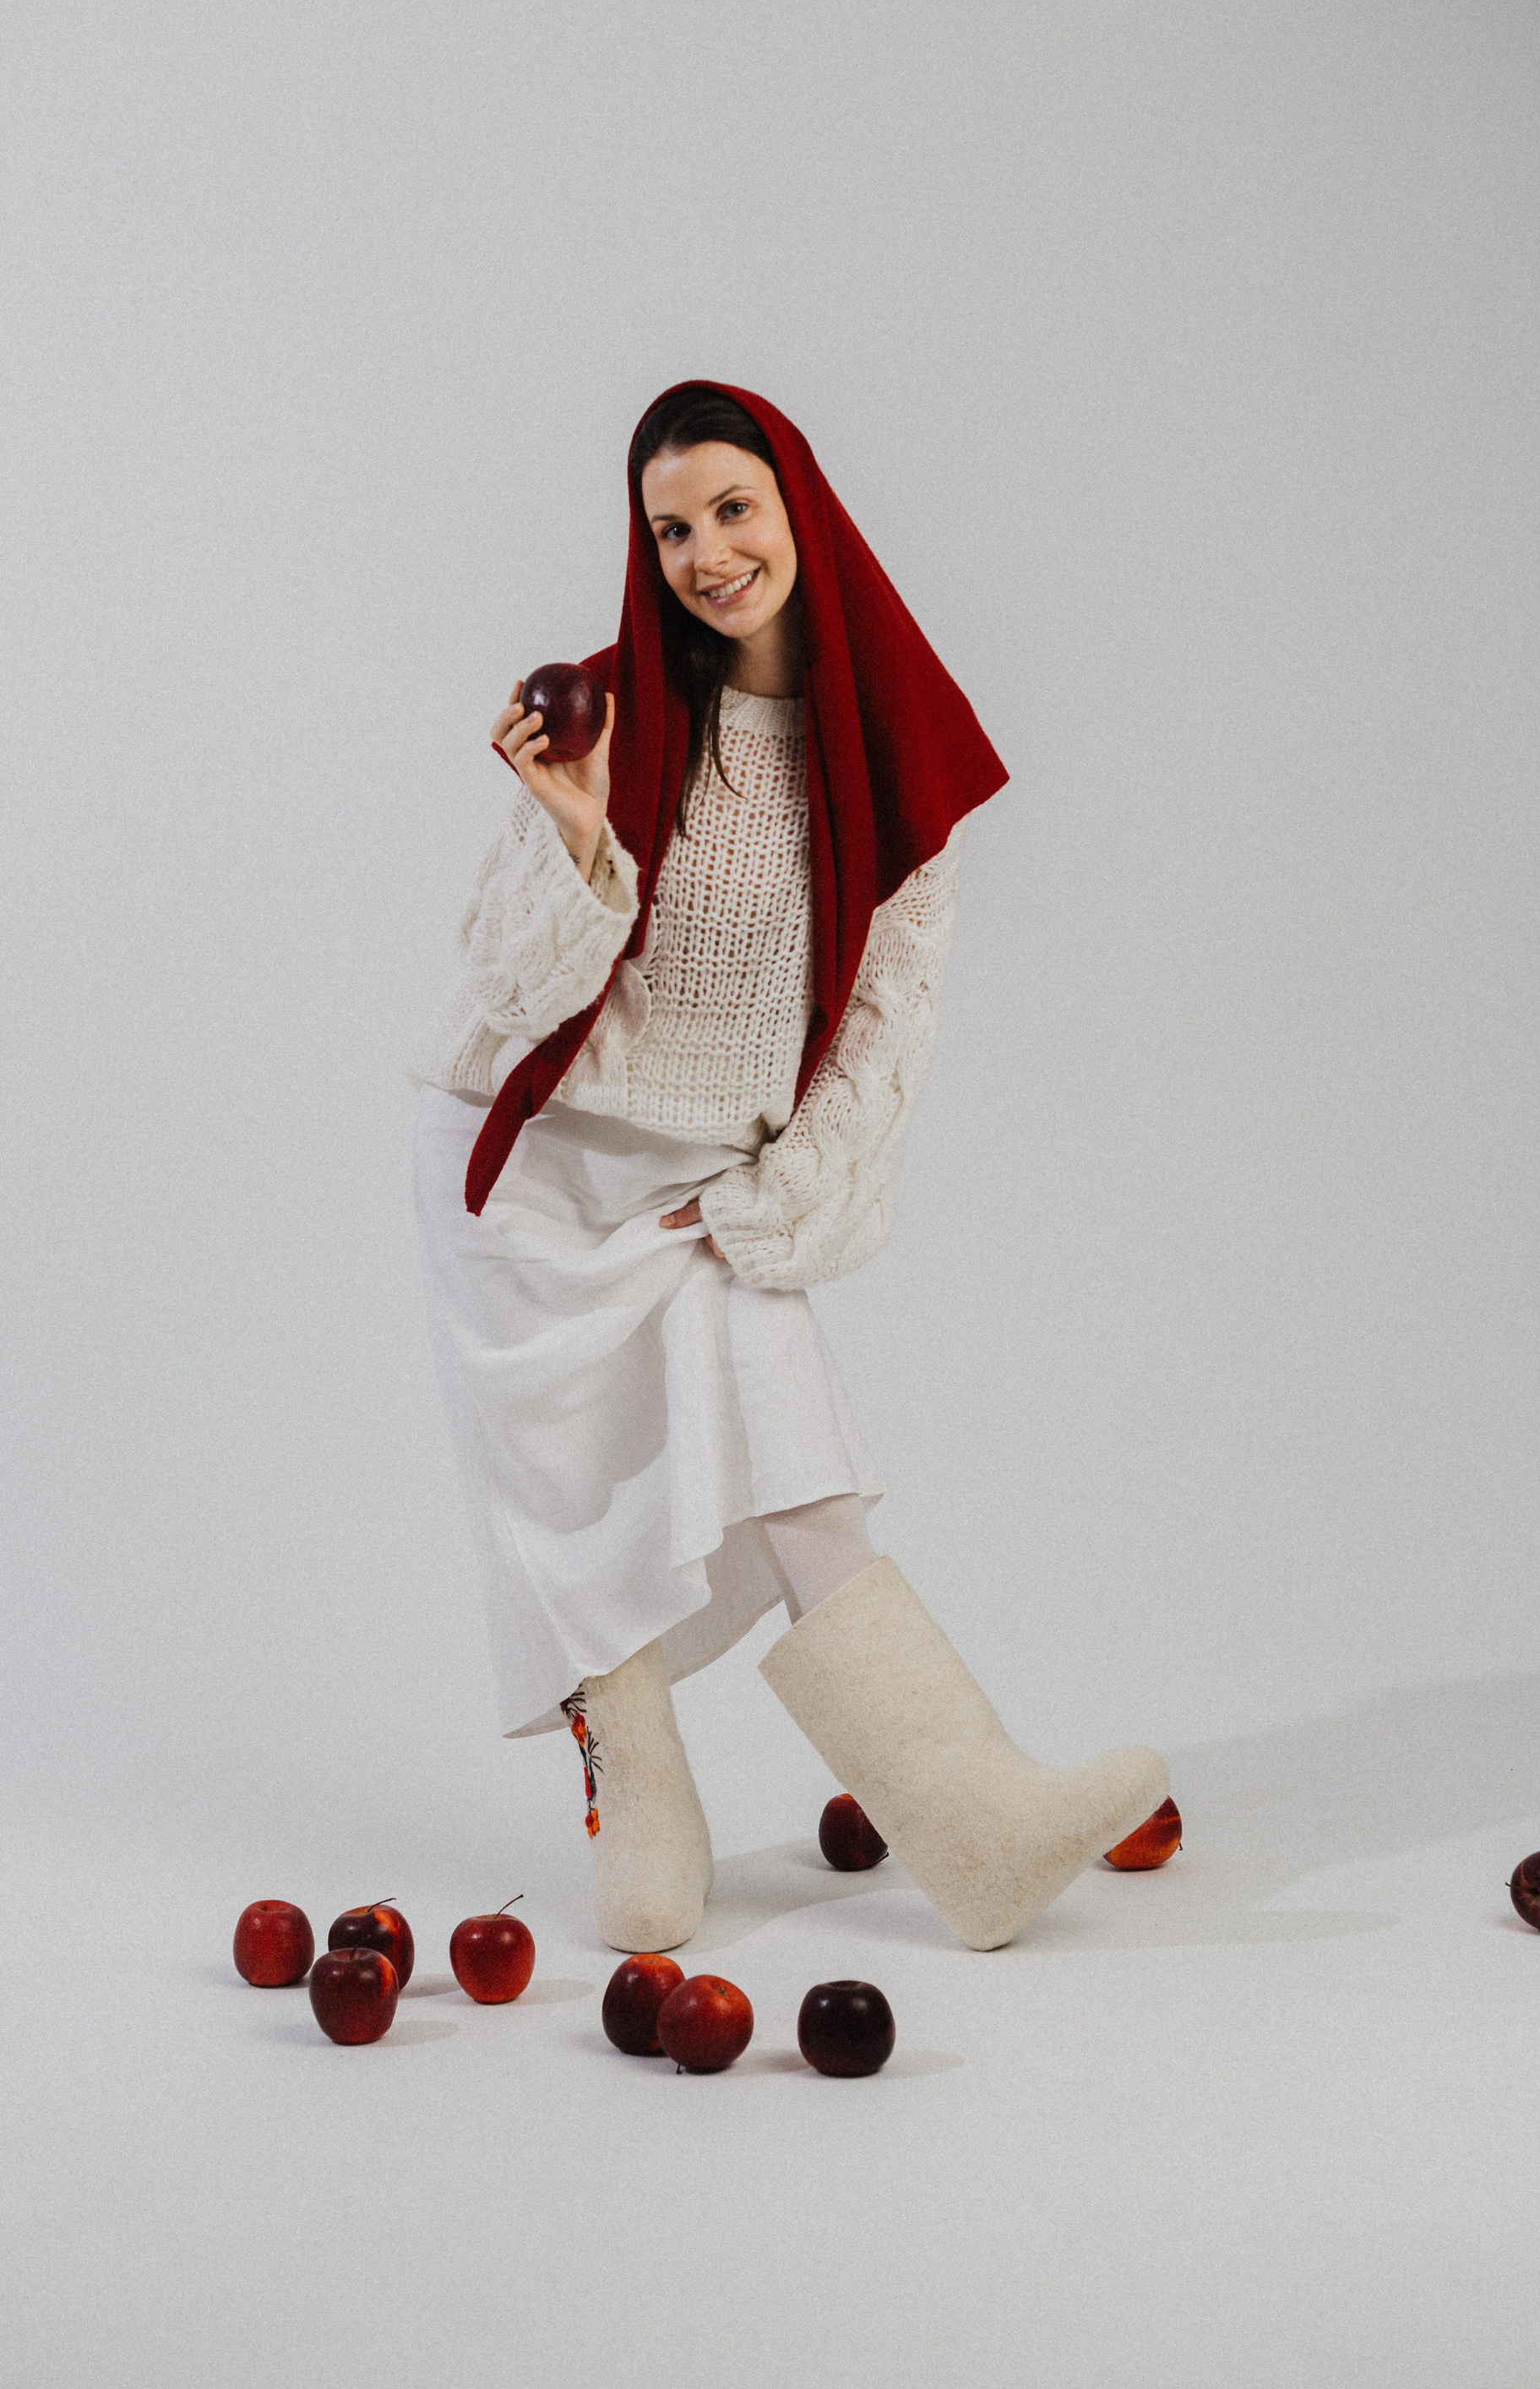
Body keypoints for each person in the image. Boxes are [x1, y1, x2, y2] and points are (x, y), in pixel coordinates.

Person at [410, 381, 1166, 1957]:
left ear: (798, 506)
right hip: (536, 1173)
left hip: (711, 1181)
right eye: (669, 528)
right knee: (569, 1501)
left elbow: (888, 1023)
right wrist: (573, 834)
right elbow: (498, 995)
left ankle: (975, 1820)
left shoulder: (892, 749)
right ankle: (647, 1814)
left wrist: (772, 1201)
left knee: (796, 1455)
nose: (706, 553)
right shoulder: (609, 717)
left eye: (732, 509)